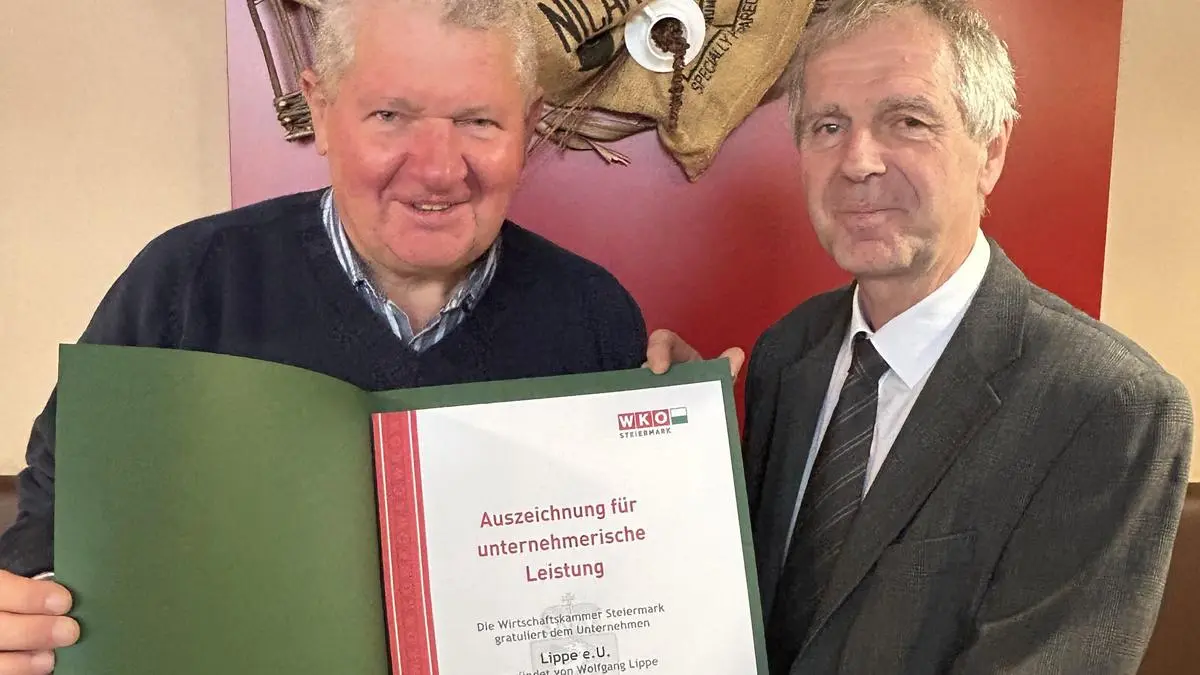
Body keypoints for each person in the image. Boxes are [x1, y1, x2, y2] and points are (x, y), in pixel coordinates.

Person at [0, 0, 653, 671]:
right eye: (391, 116)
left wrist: (690, 413)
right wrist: (39, 611)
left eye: (478, 121)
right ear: (319, 111)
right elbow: (65, 497)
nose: (438, 168)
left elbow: (642, 574)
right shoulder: (187, 284)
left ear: (530, 126)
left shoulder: (594, 315)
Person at [647, 0, 1193, 672]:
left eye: (906, 120)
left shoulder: (1108, 406)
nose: (858, 162)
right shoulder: (787, 353)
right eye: (827, 126)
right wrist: (691, 453)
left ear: (990, 152)